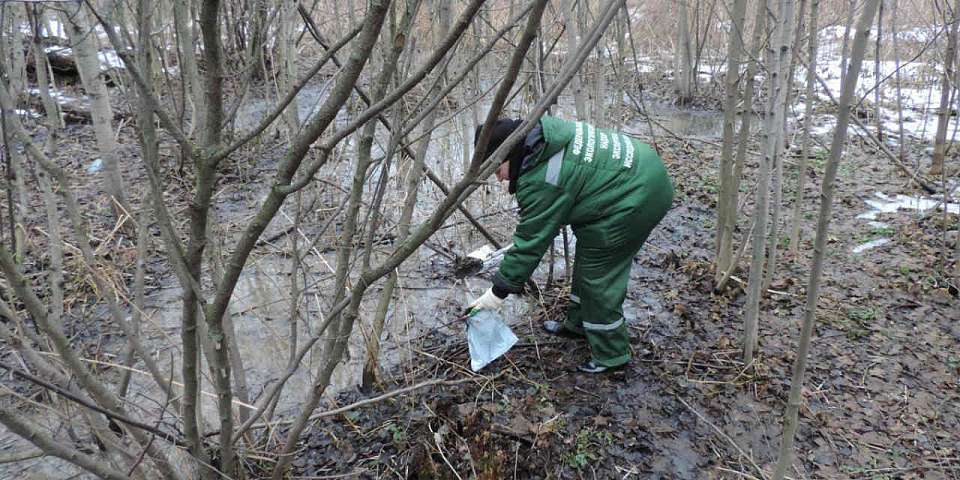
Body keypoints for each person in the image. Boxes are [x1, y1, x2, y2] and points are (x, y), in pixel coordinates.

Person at [467, 116, 674, 373]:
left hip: (638, 193)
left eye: (497, 169)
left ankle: (612, 356)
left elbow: (531, 242)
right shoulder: (544, 136)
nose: (499, 179)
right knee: (589, 258)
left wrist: (497, 293)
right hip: (639, 171)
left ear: (509, 154)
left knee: (599, 277)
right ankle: (578, 324)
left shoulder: (542, 177)